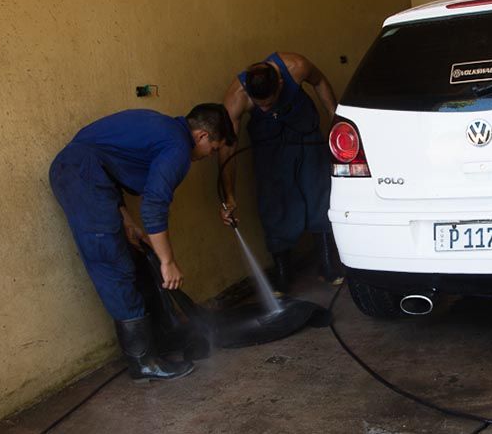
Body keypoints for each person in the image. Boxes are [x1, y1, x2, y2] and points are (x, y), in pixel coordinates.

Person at [49, 104, 236, 382]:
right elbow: (153, 205)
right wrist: (167, 262)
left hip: (87, 174)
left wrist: (126, 220)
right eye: (213, 149)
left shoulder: (166, 131)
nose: (209, 156)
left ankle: (160, 342)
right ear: (201, 136)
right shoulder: (177, 148)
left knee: (131, 258)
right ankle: (143, 362)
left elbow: (105, 166)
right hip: (81, 177)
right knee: (114, 264)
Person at [218, 52, 343, 292]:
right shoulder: (237, 96)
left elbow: (320, 81)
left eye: (270, 102)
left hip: (306, 139)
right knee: (274, 204)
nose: (265, 108)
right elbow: (227, 148)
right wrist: (229, 195)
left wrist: (333, 115)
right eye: (260, 105)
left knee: (319, 194)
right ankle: (283, 272)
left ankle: (328, 263)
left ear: (281, 84)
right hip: (270, 150)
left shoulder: (296, 66)